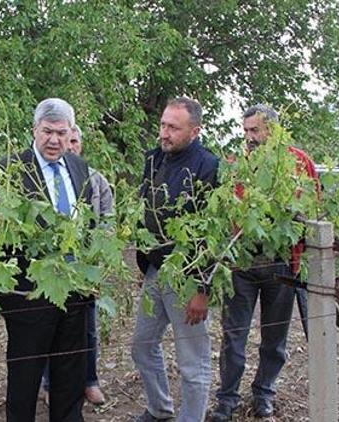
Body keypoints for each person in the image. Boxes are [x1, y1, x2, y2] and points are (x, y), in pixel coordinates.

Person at [211, 104, 319, 421]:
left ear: (273, 130)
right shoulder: (235, 164)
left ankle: (264, 394)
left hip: (283, 264)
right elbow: (223, 209)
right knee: (234, 336)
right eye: (245, 131)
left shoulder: (300, 163)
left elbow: (314, 211)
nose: (249, 137)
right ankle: (226, 401)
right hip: (241, 263)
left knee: (275, 338)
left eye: (255, 130)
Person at [0, 98, 93, 422]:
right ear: (34, 131)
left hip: (75, 292)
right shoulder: (11, 170)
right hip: (30, 297)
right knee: (25, 378)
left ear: (71, 134)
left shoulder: (80, 167)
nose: (54, 140)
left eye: (61, 133)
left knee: (70, 376)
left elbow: (88, 226)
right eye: (47, 132)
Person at [131, 96, 219, 422]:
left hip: (188, 278)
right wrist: (144, 263)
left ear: (195, 131)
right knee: (142, 345)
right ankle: (160, 408)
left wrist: (202, 289)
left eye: (173, 127)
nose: (164, 133)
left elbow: (214, 234)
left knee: (192, 364)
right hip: (156, 270)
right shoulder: (154, 159)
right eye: (163, 125)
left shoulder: (208, 166)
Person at [40, 124, 113, 405]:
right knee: (49, 326)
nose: (68, 146)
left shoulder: (95, 180)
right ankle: (50, 384)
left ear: (80, 144)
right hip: (52, 268)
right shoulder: (40, 177)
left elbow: (108, 219)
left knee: (87, 327)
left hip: (85, 267)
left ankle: (89, 380)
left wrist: (97, 256)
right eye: (63, 140)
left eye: (73, 141)